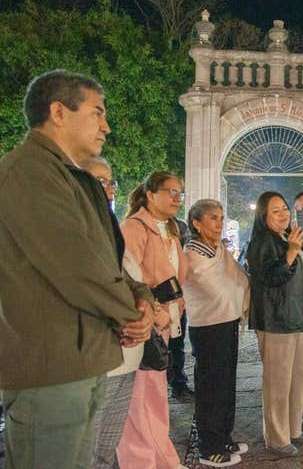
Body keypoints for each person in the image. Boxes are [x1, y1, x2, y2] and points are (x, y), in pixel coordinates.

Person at [0, 70, 152, 469]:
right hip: (51, 366)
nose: (106, 125)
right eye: (97, 112)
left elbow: (103, 258)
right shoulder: (29, 172)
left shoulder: (69, 177)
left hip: (80, 358)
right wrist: (131, 312)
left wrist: (141, 298)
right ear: (58, 112)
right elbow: (75, 265)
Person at [81, 156, 157, 469]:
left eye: (110, 182)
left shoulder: (109, 230)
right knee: (83, 451)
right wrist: (131, 314)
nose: (109, 189)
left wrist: (146, 307)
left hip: (125, 356)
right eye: (99, 181)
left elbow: (129, 280)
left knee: (105, 449)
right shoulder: (67, 228)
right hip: (91, 359)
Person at [116, 171, 189, 469]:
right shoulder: (134, 228)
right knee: (137, 404)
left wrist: (177, 305)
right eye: (170, 191)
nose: (176, 197)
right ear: (150, 194)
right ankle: (141, 462)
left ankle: (163, 458)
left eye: (179, 193)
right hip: (143, 324)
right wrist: (154, 309)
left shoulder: (170, 230)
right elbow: (127, 278)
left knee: (156, 399)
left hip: (166, 325)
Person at [183, 199, 250, 466]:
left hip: (228, 320)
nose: (219, 223)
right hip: (208, 325)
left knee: (227, 383)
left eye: (221, 217)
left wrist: (237, 294)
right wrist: (234, 292)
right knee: (211, 386)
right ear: (197, 223)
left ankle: (223, 436)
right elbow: (214, 287)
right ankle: (208, 446)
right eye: (213, 218)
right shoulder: (192, 252)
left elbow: (237, 279)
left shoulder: (218, 248)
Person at [247, 191, 303, 459]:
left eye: (285, 208)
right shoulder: (262, 241)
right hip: (274, 320)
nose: (284, 213)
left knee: (298, 379)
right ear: (263, 216)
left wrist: (292, 248)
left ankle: (293, 428)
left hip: (294, 317)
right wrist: (291, 253)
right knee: (277, 382)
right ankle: (276, 436)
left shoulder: (285, 238)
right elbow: (271, 277)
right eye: (276, 211)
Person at [168, 216, 194, 402]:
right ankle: (173, 383)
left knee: (176, 344)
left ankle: (178, 383)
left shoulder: (179, 227)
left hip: (178, 298)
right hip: (162, 299)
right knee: (167, 346)